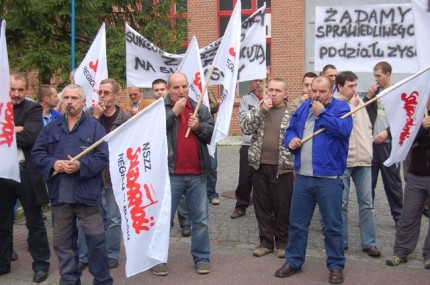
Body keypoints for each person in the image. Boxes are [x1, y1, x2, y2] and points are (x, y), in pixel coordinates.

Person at [32, 84, 113, 285]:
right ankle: (69, 280)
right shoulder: (52, 127)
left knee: (96, 242)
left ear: (83, 101)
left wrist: (80, 166)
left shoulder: (95, 127)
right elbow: (37, 153)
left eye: (74, 98)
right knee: (63, 243)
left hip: (87, 196)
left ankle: (102, 280)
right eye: (66, 97)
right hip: (60, 195)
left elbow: (103, 157)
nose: (69, 101)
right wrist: (54, 163)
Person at [276, 76, 352, 284]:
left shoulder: (341, 108)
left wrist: (323, 114)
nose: (317, 95)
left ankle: (336, 265)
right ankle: (294, 261)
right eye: (314, 90)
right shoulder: (303, 108)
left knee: (332, 225)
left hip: (329, 178)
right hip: (302, 177)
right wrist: (290, 139)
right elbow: (290, 130)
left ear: (331, 90)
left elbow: (344, 130)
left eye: (322, 91)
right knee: (297, 224)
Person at [152, 72, 214, 276]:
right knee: (164, 221)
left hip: (197, 174)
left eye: (184, 86)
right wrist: (173, 113)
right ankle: (158, 259)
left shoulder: (200, 108)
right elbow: (153, 133)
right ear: (168, 88)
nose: (181, 91)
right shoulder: (159, 108)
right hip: (171, 174)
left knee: (201, 219)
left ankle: (202, 257)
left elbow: (212, 133)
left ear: (189, 87)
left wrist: (199, 127)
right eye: (176, 87)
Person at [0, 72, 51, 282]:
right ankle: (2, 263)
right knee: (2, 223)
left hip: (25, 172)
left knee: (34, 221)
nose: (16, 94)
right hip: (2, 173)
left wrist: (6, 132)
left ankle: (40, 264)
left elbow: (31, 136)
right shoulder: (2, 108)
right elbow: (21, 134)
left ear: (27, 90)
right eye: (12, 89)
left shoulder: (33, 108)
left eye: (21, 89)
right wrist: (16, 129)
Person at [79, 79, 131, 270]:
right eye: (100, 92)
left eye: (107, 93)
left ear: (117, 95)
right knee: (87, 216)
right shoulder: (89, 115)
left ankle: (111, 253)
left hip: (113, 175)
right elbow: (82, 140)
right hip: (91, 174)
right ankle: (84, 255)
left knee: (114, 218)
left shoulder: (125, 118)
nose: (102, 96)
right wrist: (95, 118)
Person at [240, 78, 294, 259]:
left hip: (283, 166)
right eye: (271, 90)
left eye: (278, 90)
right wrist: (261, 110)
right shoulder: (259, 109)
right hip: (259, 164)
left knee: (282, 206)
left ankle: (282, 242)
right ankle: (265, 242)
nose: (273, 93)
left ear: (285, 94)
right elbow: (245, 128)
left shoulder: (292, 112)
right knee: (262, 206)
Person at [334, 71, 381, 257]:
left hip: (363, 161)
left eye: (355, 85)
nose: (355, 89)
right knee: (341, 204)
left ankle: (370, 243)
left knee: (367, 204)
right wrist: (350, 108)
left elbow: (367, 126)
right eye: (350, 86)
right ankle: (341, 242)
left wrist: (368, 146)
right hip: (343, 162)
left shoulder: (358, 101)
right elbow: (338, 128)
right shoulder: (334, 104)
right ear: (339, 87)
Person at [386, 103, 430, 270]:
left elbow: (416, 143)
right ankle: (401, 252)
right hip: (415, 176)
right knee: (408, 216)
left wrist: (420, 142)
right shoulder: (415, 116)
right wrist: (422, 130)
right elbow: (404, 141)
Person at [364, 61, 403, 225]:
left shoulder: (398, 93)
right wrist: (368, 97)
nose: (376, 79)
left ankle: (400, 218)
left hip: (389, 144)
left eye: (378, 75)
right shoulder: (375, 93)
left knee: (392, 183)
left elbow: (402, 118)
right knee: (368, 183)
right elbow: (363, 115)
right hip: (372, 145)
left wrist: (387, 131)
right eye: (375, 76)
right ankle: (368, 218)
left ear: (388, 74)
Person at [230, 78, 265, 219]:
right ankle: (241, 206)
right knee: (245, 177)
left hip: (265, 144)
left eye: (261, 81)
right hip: (248, 143)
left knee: (263, 178)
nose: (258, 83)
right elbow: (243, 120)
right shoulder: (246, 99)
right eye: (256, 80)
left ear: (266, 82)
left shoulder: (273, 98)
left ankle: (262, 206)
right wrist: (260, 109)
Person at [206, 90, 221, 205]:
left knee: (212, 165)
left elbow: (215, 106)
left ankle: (211, 193)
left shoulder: (208, 90)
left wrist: (205, 103)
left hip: (209, 131)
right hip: (193, 131)